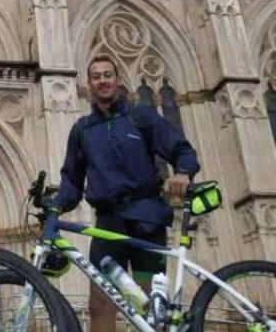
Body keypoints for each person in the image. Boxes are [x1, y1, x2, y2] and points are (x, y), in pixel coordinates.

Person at [54, 55, 199, 332]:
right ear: (89, 84)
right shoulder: (82, 129)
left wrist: (182, 173)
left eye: (108, 75)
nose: (103, 81)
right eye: (96, 76)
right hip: (108, 223)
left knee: (148, 306)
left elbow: (182, 149)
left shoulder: (140, 117)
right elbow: (72, 178)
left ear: (117, 80)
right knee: (100, 303)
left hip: (146, 218)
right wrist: (56, 205)